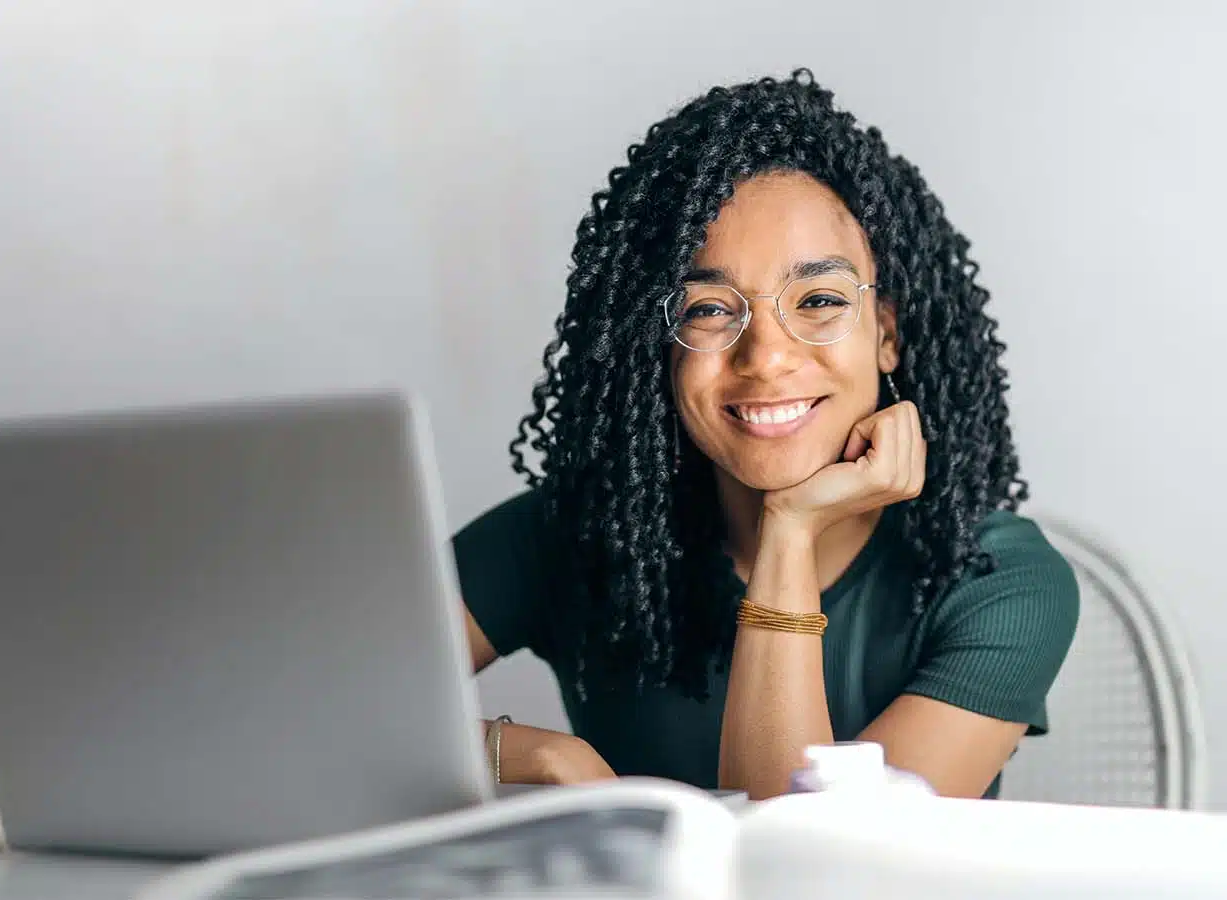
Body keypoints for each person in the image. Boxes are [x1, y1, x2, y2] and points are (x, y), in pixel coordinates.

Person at [452, 69, 1078, 801]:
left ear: (887, 334)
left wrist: (790, 530)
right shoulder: (572, 535)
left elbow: (812, 868)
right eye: (709, 310)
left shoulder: (998, 580)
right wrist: (541, 758)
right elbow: (302, 714)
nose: (767, 356)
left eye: (818, 299)